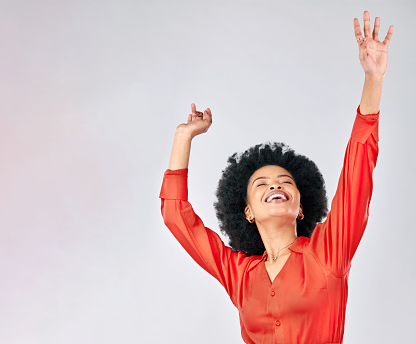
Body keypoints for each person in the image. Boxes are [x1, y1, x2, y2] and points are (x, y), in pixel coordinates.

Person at [159, 11, 393, 344]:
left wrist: (374, 80)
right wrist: (183, 137)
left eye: (285, 182)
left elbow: (357, 171)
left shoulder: (327, 254)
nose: (275, 185)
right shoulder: (240, 275)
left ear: (300, 206)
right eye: (262, 184)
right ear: (248, 212)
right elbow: (176, 216)